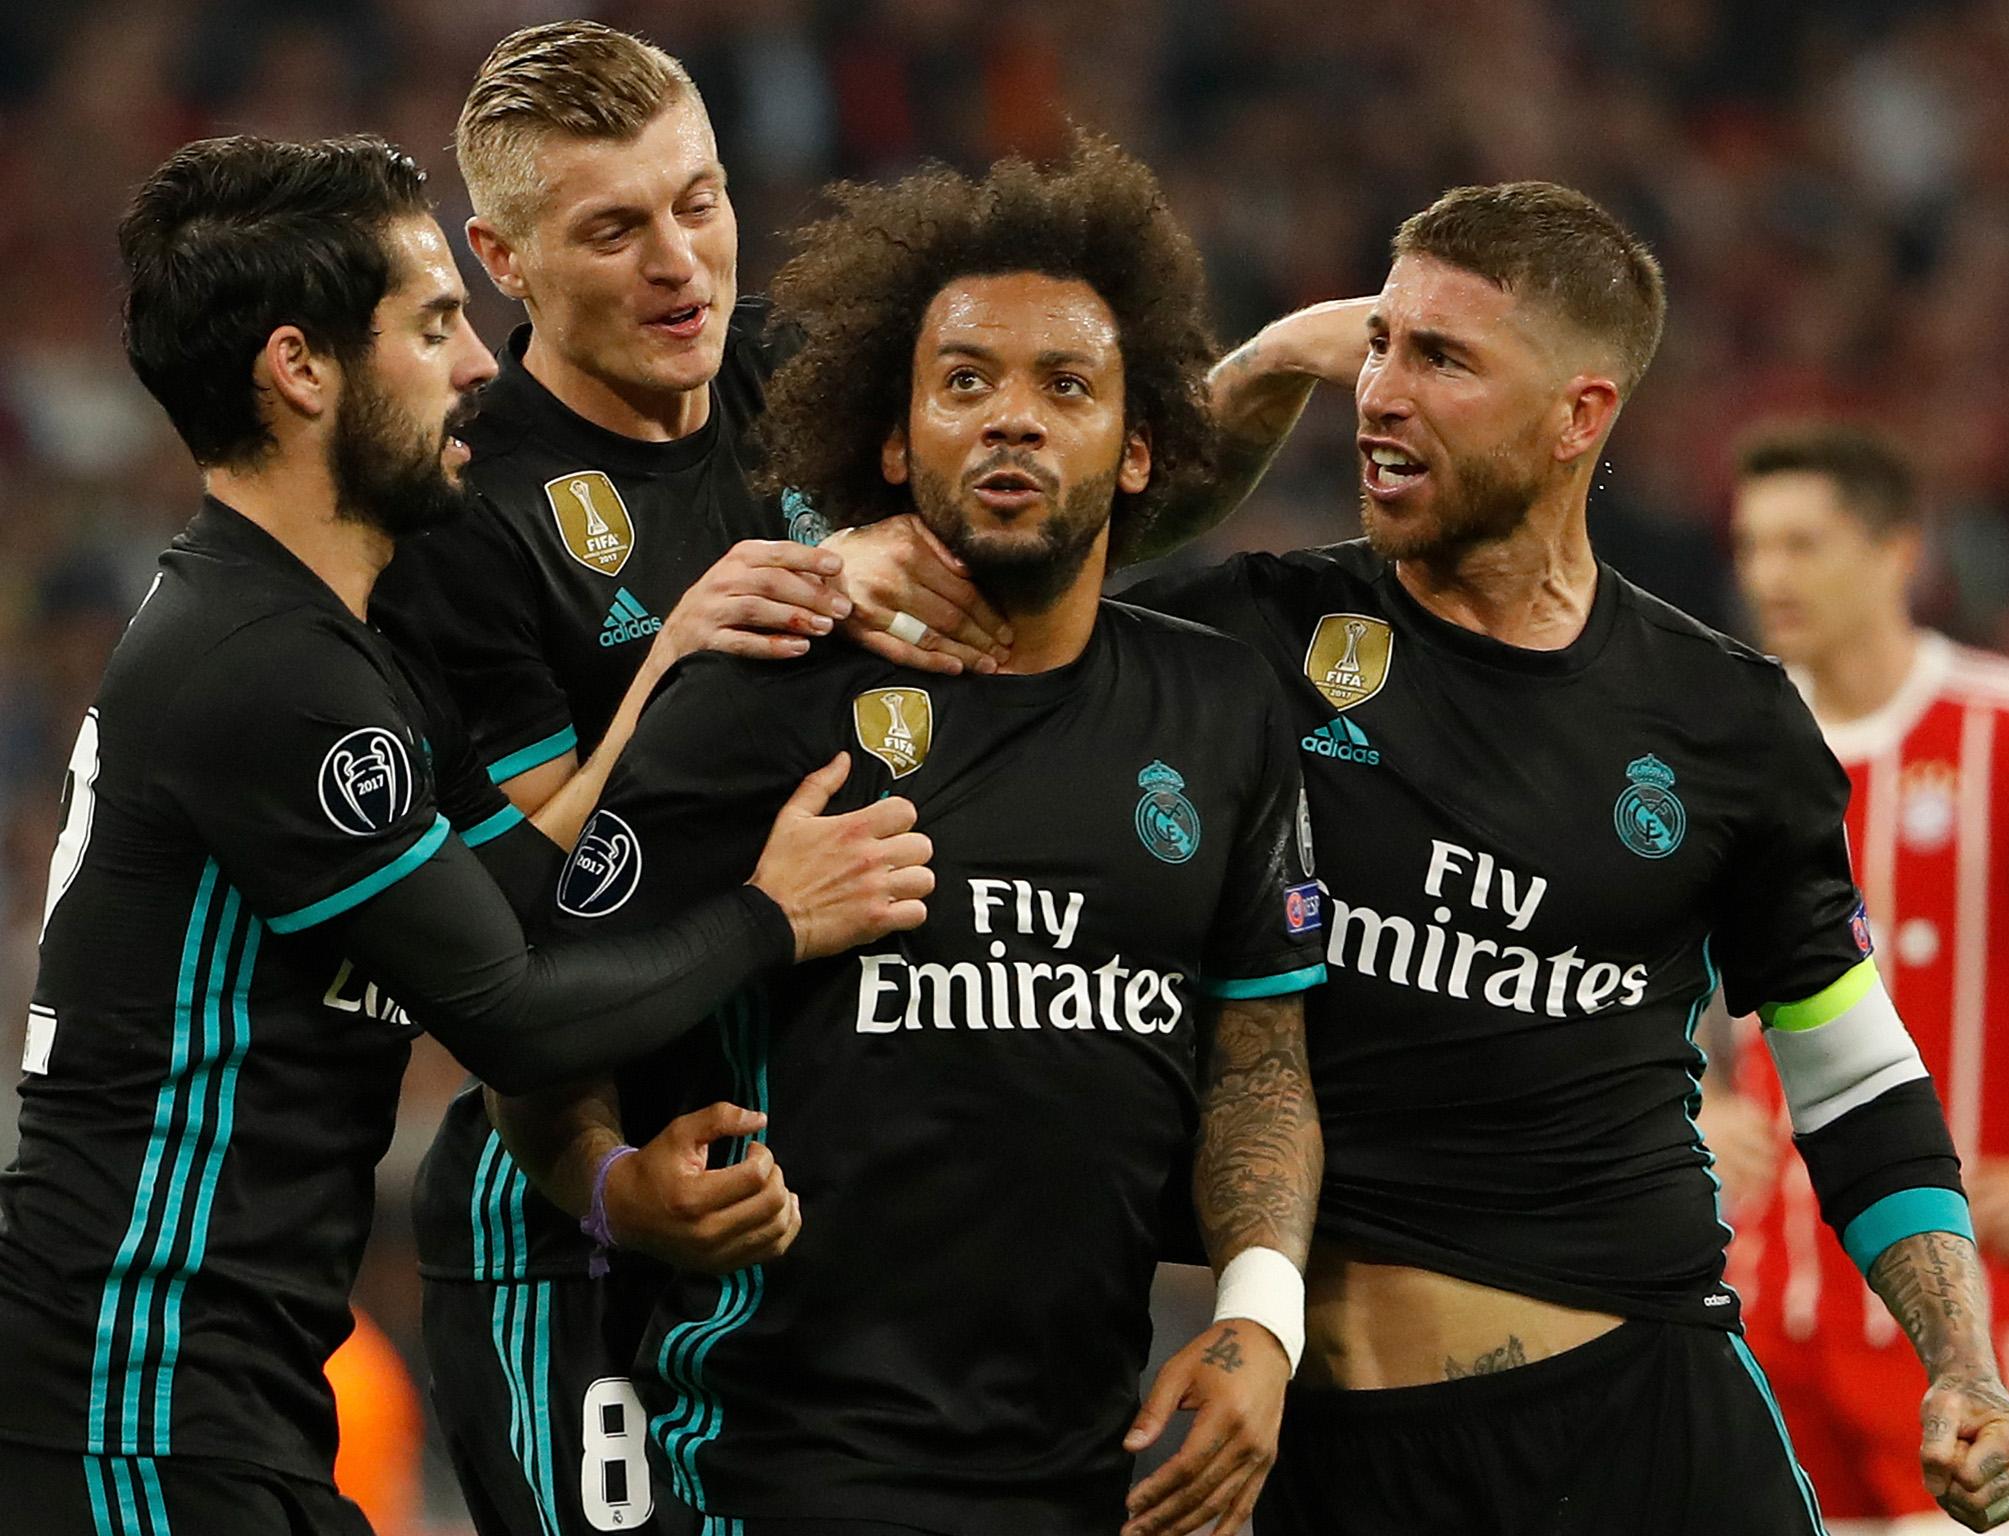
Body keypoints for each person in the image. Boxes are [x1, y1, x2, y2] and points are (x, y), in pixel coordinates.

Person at [0, 133, 931, 1534]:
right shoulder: (265, 671)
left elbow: (524, 898)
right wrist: (774, 915)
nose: (480, 365)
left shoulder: (328, 644)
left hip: (209, 1391)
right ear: (301, 369)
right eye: (433, 326)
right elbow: (514, 1013)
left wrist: (673, 664)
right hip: (127, 1387)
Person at [1121, 180, 2009, 1533]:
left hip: (1640, 1437)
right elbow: (1047, 562)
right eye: (1380, 344)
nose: (1381, 393)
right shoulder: (1265, 638)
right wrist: (1269, 360)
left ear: (1580, 416)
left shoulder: (1722, 718)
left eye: (1442, 358)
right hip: (1328, 1455)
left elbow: (1853, 1080)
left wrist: (1959, 1361)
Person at [491, 137, 1326, 1536]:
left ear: (1139, 453)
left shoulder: (1220, 708)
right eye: (964, 383)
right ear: (892, 442)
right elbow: (538, 1015)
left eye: (1066, 386)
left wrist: (1260, 1319)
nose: (1011, 419)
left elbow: (1259, 1059)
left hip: (1089, 1465)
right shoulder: (759, 694)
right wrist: (615, 1191)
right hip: (776, 1465)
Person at [375, 24, 1018, 1535]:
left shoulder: (813, 391)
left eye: (703, 201)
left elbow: (1066, 518)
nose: (683, 264)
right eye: (616, 228)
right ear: (504, 259)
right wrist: (683, 656)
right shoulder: (459, 511)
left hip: (831, 1180)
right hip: (583, 1216)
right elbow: (521, 931)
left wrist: (1270, 374)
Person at [1711, 422, 2009, 1526]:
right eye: (1753, 545)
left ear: (1897, 551)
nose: (1769, 575)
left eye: (1802, 544)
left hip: (1967, 1323)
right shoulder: (1734, 745)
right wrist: (1701, 1103)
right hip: (1768, 1310)